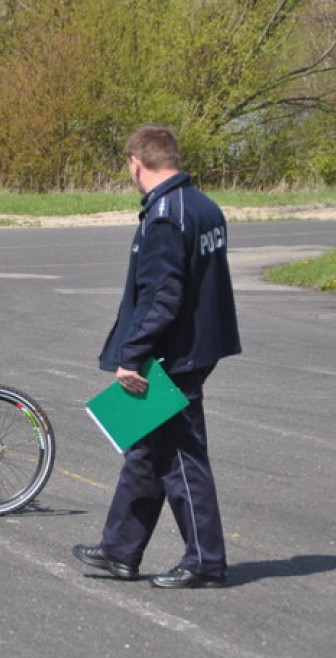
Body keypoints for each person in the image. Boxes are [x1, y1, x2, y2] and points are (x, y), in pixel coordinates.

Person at [73, 125, 241, 589]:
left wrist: (133, 355)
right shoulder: (203, 205)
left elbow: (162, 295)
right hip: (196, 345)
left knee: (181, 457)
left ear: (136, 162)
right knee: (146, 450)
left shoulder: (165, 216)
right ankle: (120, 550)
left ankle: (206, 562)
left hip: (174, 353)